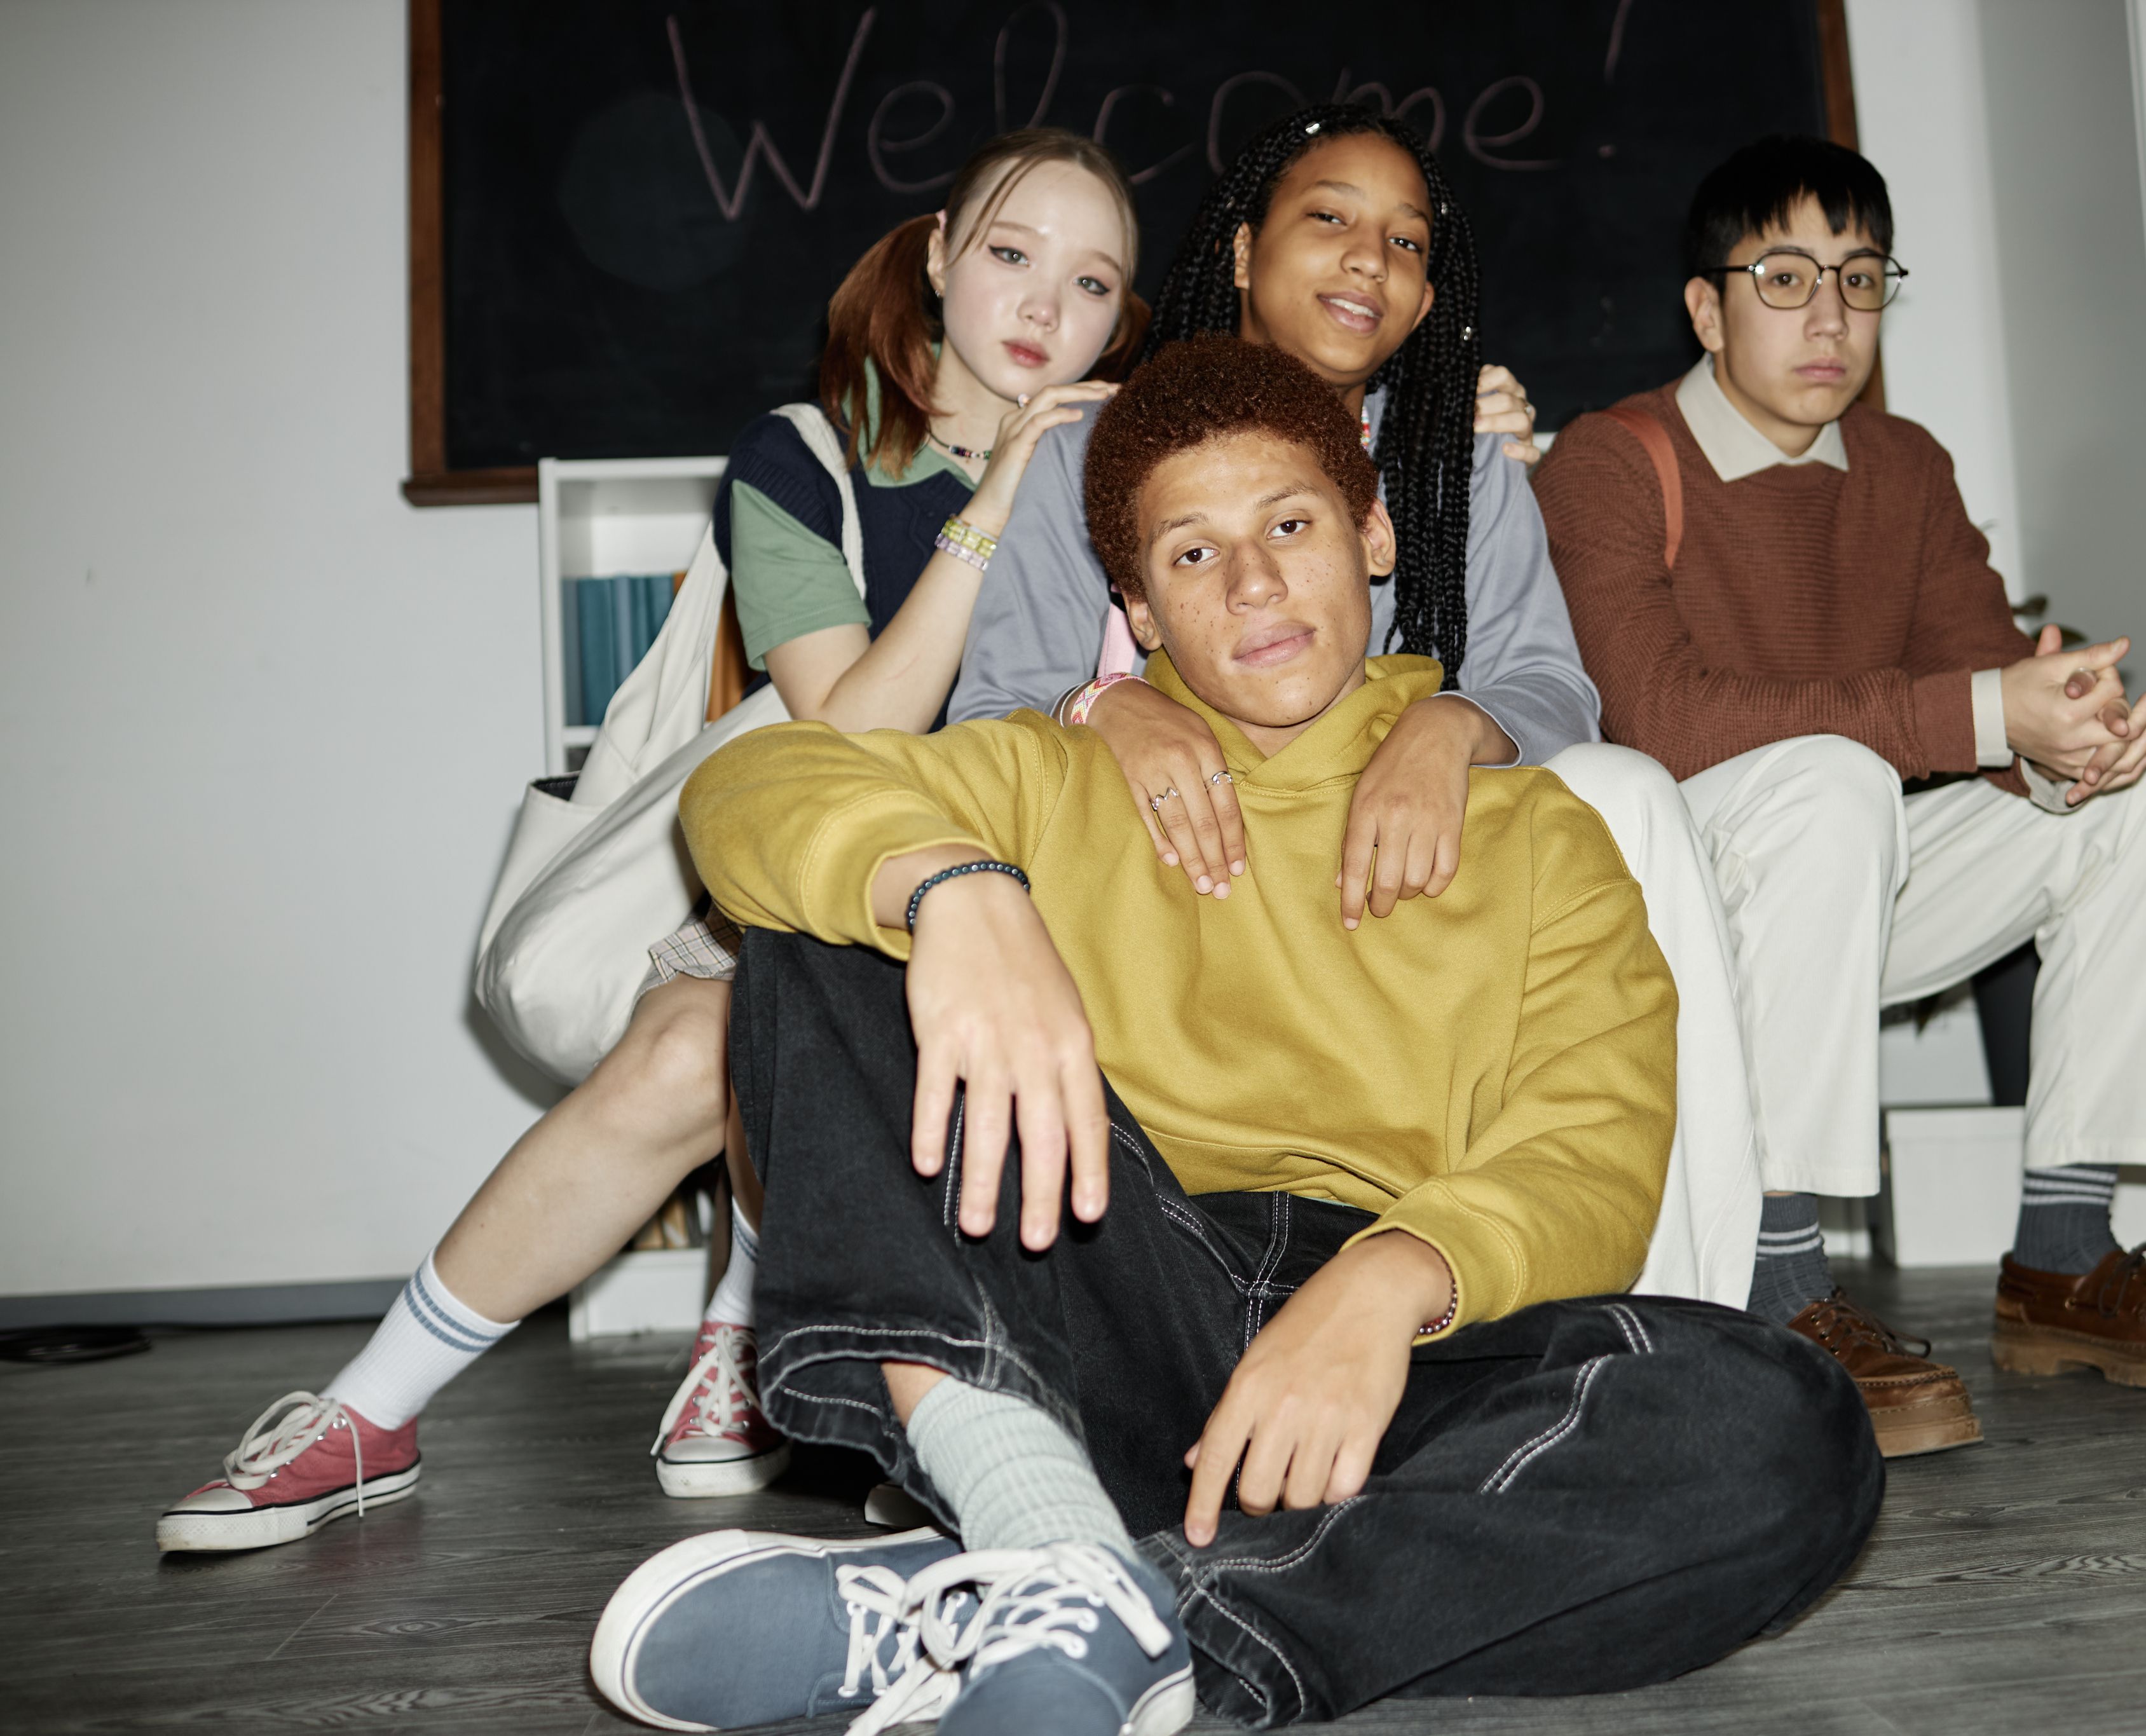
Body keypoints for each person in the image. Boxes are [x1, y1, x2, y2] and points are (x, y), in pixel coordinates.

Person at [589, 334, 1878, 1736]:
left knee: (1784, 1427)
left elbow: (1596, 1147)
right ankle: (1049, 1529)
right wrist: (956, 890)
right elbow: (762, 783)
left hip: (1388, 1352)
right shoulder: (1048, 770)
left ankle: (1057, 1597)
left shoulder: (1536, 832)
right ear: (1135, 610)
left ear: (1372, 533)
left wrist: (1389, 1281)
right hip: (1098, 1275)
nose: (1253, 582)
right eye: (1191, 557)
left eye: (1288, 526)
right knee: (824, 932)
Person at [154, 130, 1149, 1552]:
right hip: (822, 866)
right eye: (1010, 255)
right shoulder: (799, 458)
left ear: (1125, 318)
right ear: (937, 256)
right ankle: (366, 1412)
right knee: (699, 1047)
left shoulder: (1126, 471)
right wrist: (988, 509)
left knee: (864, 1045)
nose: (1044, 308)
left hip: (1033, 899)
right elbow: (852, 740)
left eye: (1092, 281)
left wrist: (1458, 419)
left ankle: (786, 1346)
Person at [1531, 135, 2146, 1459]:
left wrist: (2061, 744)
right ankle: (1775, 1285)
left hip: (1843, 875)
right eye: (1782, 276)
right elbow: (1664, 718)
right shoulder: (1608, 462)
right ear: (1703, 308)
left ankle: (2061, 1258)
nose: (1829, 316)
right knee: (1832, 779)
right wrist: (1985, 711)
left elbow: (1971, 683)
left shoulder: (1905, 468)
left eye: (1862, 277)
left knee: (2139, 805)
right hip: (1667, 909)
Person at [950, 102, 1770, 1318]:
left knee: (1627, 793)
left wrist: (1448, 724)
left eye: (1406, 243)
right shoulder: (1100, 450)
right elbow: (984, 713)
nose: (1367, 260)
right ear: (1241, 250)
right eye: (1328, 218)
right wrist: (1107, 704)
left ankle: (1687, 1319)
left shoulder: (1456, 460)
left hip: (1398, 888)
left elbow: (1556, 686)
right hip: (1189, 884)